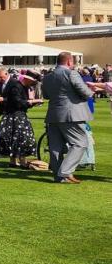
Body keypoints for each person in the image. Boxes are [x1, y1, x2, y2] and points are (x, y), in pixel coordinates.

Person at [41, 52, 95, 183]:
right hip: (72, 115)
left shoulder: (47, 77)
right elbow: (85, 92)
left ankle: (59, 176)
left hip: (53, 114)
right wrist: (91, 91)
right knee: (80, 143)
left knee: (55, 147)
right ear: (69, 62)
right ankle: (65, 172)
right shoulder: (72, 73)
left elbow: (46, 95)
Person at [0, 71, 44, 167]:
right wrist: (32, 101)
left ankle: (14, 161)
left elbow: (21, 103)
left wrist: (31, 103)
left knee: (15, 138)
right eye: (31, 81)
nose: (32, 83)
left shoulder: (22, 87)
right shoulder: (17, 87)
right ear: (27, 79)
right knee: (21, 138)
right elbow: (18, 102)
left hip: (17, 114)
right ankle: (20, 161)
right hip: (15, 116)